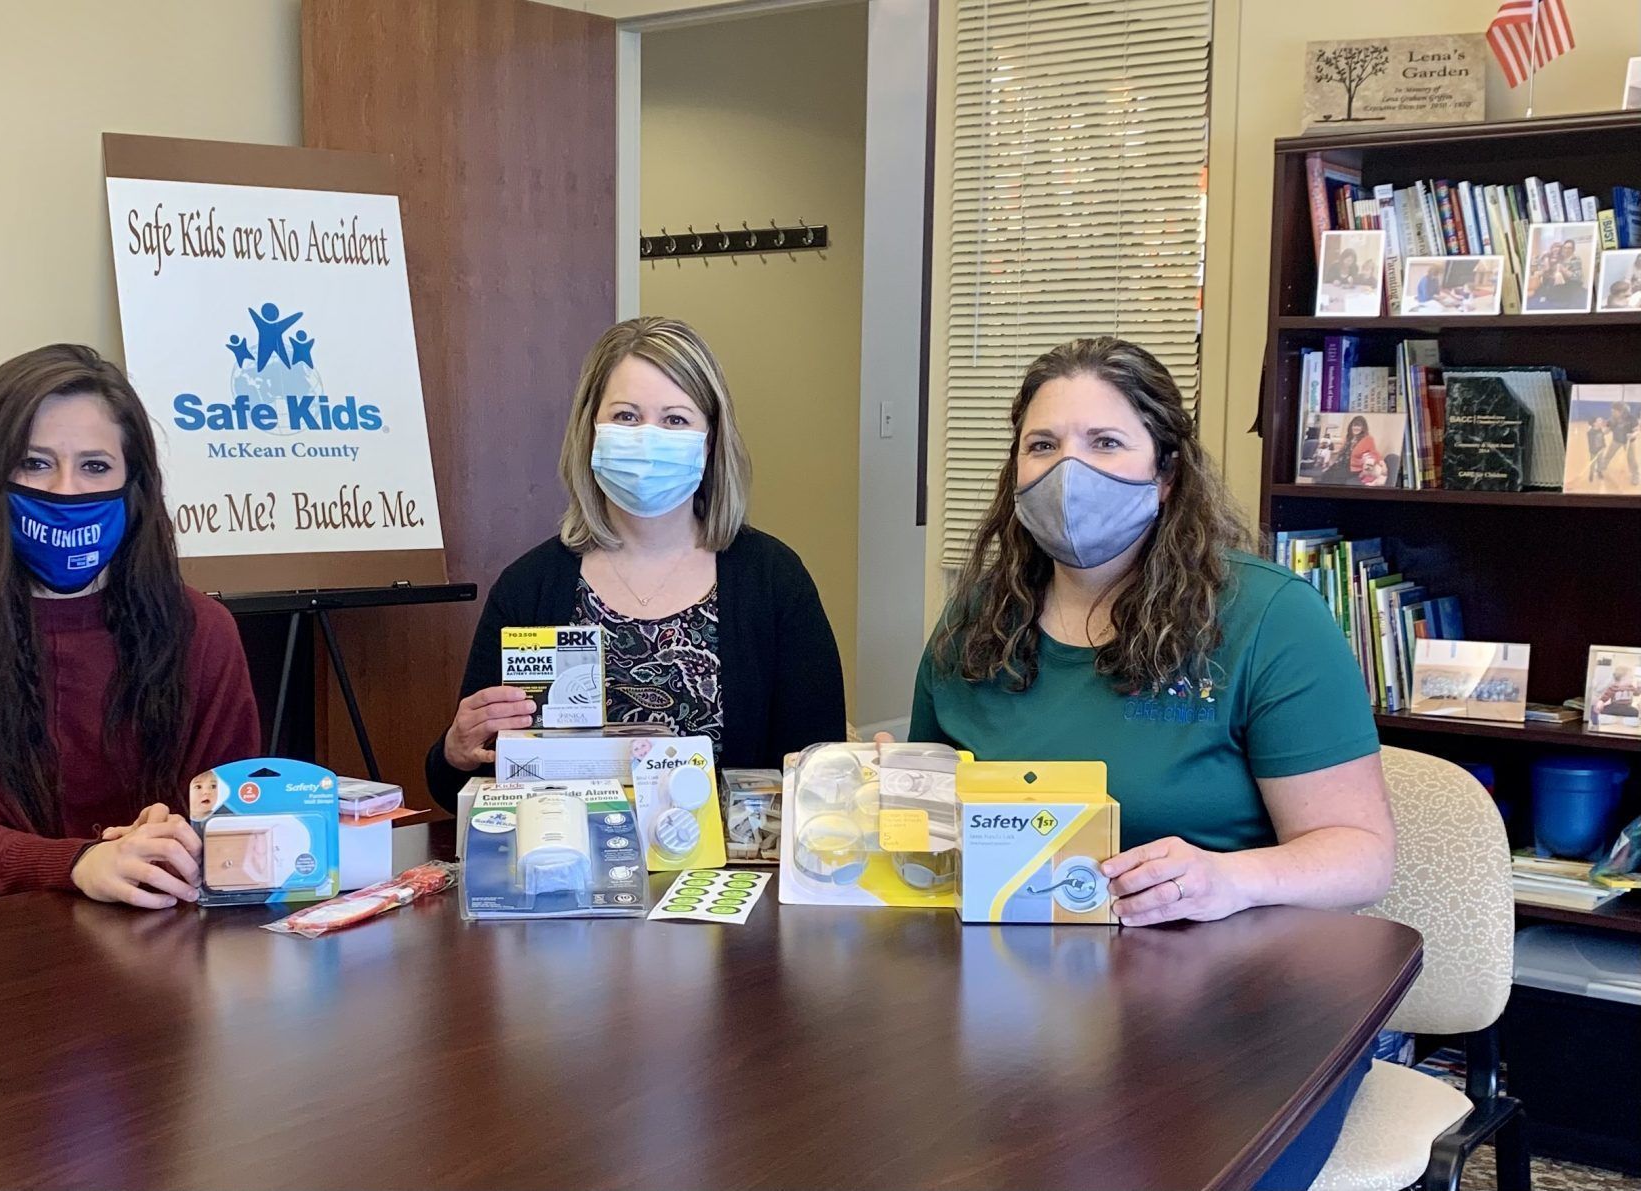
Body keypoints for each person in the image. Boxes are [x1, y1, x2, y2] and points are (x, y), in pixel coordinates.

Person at [907, 336, 1395, 1188]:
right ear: (1015, 474)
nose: (1070, 471)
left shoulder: (1268, 619)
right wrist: (895, 792)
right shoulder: (974, 622)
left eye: (1105, 443)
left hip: (1242, 1013)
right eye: (1043, 445)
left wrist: (1229, 879)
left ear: (1165, 474)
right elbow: (934, 824)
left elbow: (1362, 853)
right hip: (1022, 1008)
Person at [0, 344, 261, 915]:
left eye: (95, 466)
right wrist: (79, 863)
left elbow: (228, 816)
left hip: (149, 944)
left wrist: (173, 834)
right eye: (34, 463)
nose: (65, 491)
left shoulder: (201, 629)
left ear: (135, 485)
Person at [425, 316, 846, 803]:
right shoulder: (530, 586)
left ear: (710, 441)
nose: (648, 439)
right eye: (626, 416)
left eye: (675, 420)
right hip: (566, 867)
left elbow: (819, 770)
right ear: (591, 430)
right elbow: (461, 781)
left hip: (726, 874)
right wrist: (455, 751)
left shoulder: (773, 580)